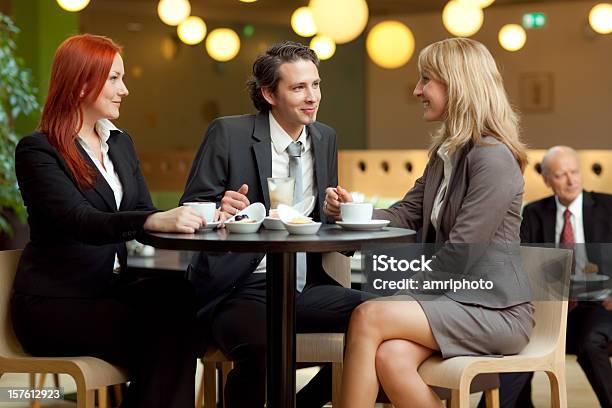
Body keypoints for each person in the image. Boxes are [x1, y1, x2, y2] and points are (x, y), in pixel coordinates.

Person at [324, 38, 534, 408]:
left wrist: (399, 294)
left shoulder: (493, 159)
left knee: (367, 314)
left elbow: (460, 255)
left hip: (495, 312)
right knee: (391, 358)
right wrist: (351, 214)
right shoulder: (445, 155)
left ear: (458, 84)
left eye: (426, 80)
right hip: (455, 302)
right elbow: (403, 214)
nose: (418, 90)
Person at [11, 34, 208, 408]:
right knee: (169, 335)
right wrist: (153, 221)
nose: (125, 90)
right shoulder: (38, 150)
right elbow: (80, 220)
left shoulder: (120, 143)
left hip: (109, 291)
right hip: (56, 304)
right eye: (115, 79)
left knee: (182, 303)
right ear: (83, 81)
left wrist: (207, 217)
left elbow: (145, 213)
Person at [180, 41, 370, 408]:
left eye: (315, 85)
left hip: (305, 286)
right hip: (240, 286)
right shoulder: (228, 133)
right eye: (298, 88)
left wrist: (334, 212)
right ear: (269, 93)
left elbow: (321, 221)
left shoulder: (324, 137)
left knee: (380, 321)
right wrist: (219, 207)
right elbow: (190, 209)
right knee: (264, 350)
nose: (312, 97)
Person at [489, 146, 612, 408]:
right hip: (546, 309)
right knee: (517, 342)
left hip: (598, 307)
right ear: (546, 179)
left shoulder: (608, 207)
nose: (571, 180)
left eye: (575, 172)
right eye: (561, 175)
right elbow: (519, 265)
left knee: (591, 344)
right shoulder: (533, 214)